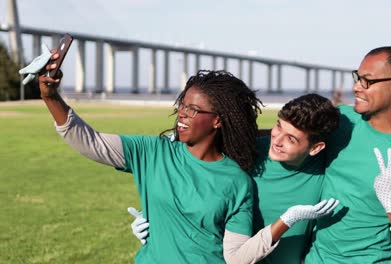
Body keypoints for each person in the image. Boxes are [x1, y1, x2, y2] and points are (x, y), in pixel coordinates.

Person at [37, 63, 266, 262]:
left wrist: (285, 223)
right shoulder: (152, 152)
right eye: (182, 105)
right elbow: (91, 142)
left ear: (217, 120)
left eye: (193, 110)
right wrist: (50, 96)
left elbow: (237, 255)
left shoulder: (237, 181)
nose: (182, 114)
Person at [130, 93, 342, 264]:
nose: (277, 140)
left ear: (316, 148)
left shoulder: (327, 169)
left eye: (291, 139)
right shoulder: (244, 151)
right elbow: (193, 181)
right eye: (278, 126)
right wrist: (158, 225)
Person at [306, 46, 391, 263]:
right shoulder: (340, 120)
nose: (356, 87)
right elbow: (286, 136)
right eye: (357, 78)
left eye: (367, 81)